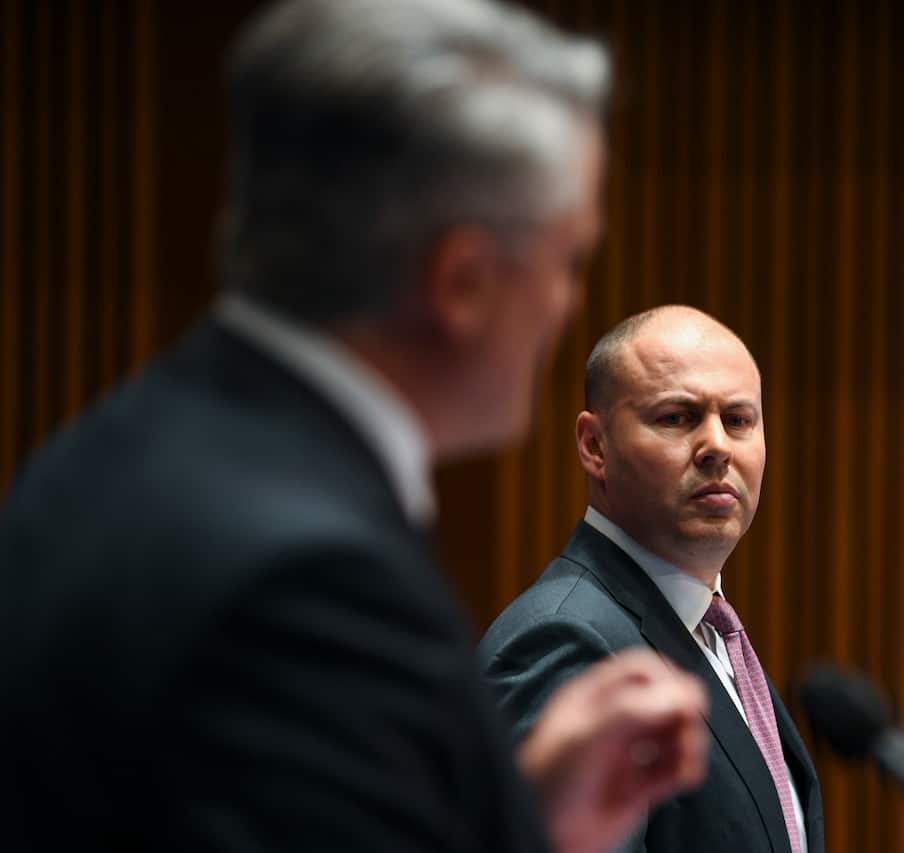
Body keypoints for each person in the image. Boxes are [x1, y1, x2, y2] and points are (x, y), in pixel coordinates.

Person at [0, 2, 708, 851]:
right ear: (465, 283)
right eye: (568, 262)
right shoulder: (316, 576)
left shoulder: (107, 450)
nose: (570, 303)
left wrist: (523, 821)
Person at [480, 305, 825, 852]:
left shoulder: (711, 634)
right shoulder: (565, 640)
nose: (718, 446)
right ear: (595, 446)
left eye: (738, 420)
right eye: (676, 418)